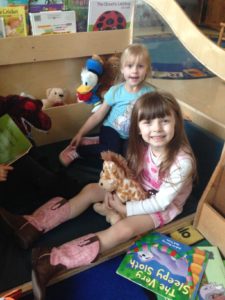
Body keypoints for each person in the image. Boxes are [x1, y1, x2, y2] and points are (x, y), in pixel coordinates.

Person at [0, 91, 197, 300]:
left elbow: (161, 202)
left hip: (160, 207)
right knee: (91, 189)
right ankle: (30, 226)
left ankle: (51, 259)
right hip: (138, 190)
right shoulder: (142, 145)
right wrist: (120, 187)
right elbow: (133, 175)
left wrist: (124, 209)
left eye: (164, 121)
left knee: (124, 229)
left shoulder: (183, 162)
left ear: (177, 121)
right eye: (148, 123)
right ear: (138, 127)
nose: (156, 129)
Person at [59, 43, 155, 166]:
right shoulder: (115, 91)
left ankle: (98, 142)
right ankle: (79, 151)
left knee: (129, 159)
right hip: (111, 129)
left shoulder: (151, 93)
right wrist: (80, 133)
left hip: (132, 135)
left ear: (147, 69)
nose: (135, 71)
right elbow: (97, 115)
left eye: (140, 66)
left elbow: (154, 116)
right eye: (129, 66)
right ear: (122, 69)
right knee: (112, 152)